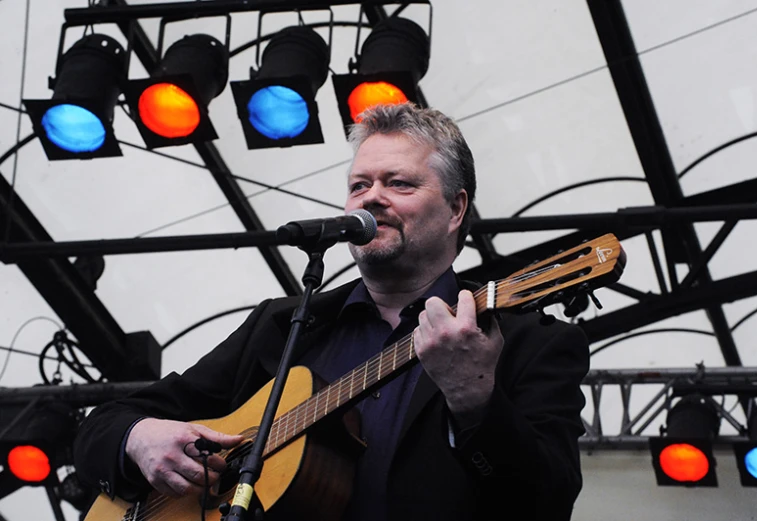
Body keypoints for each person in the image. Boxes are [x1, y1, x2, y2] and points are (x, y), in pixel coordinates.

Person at [73, 102, 589, 521]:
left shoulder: (530, 343)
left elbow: (546, 502)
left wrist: (475, 401)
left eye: (400, 183)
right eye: (360, 185)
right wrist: (139, 439)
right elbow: (105, 424)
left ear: (456, 209)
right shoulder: (282, 326)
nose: (372, 199)